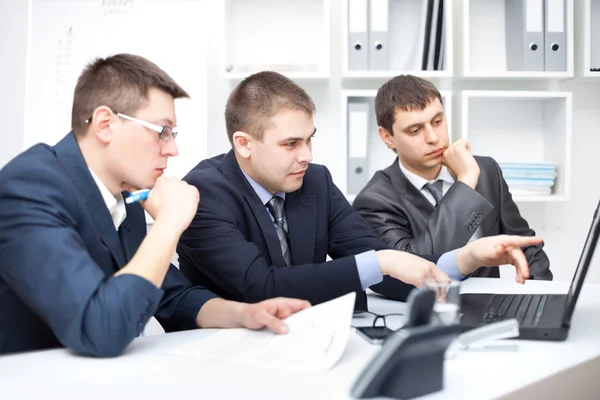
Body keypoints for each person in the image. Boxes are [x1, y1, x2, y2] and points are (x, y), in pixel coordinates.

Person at [0, 54, 311, 357]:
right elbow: (100, 328)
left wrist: (243, 314)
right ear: (106, 124)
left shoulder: (127, 193)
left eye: (172, 134)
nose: (173, 149)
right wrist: (169, 223)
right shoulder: (30, 186)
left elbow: (173, 296)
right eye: (161, 131)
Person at [176, 71, 542, 310]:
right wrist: (383, 261)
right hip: (227, 357)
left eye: (309, 140)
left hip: (310, 344)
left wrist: (466, 259)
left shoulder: (315, 181)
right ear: (243, 144)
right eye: (291, 144)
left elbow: (389, 270)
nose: (307, 156)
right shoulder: (204, 192)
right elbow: (260, 286)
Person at [352, 75, 552, 280]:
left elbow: (526, 243)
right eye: (415, 130)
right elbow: (416, 267)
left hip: (488, 306)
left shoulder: (486, 169)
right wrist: (465, 182)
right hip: (428, 308)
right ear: (387, 137)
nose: (433, 137)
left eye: (437, 121)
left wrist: (541, 296)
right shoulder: (374, 201)